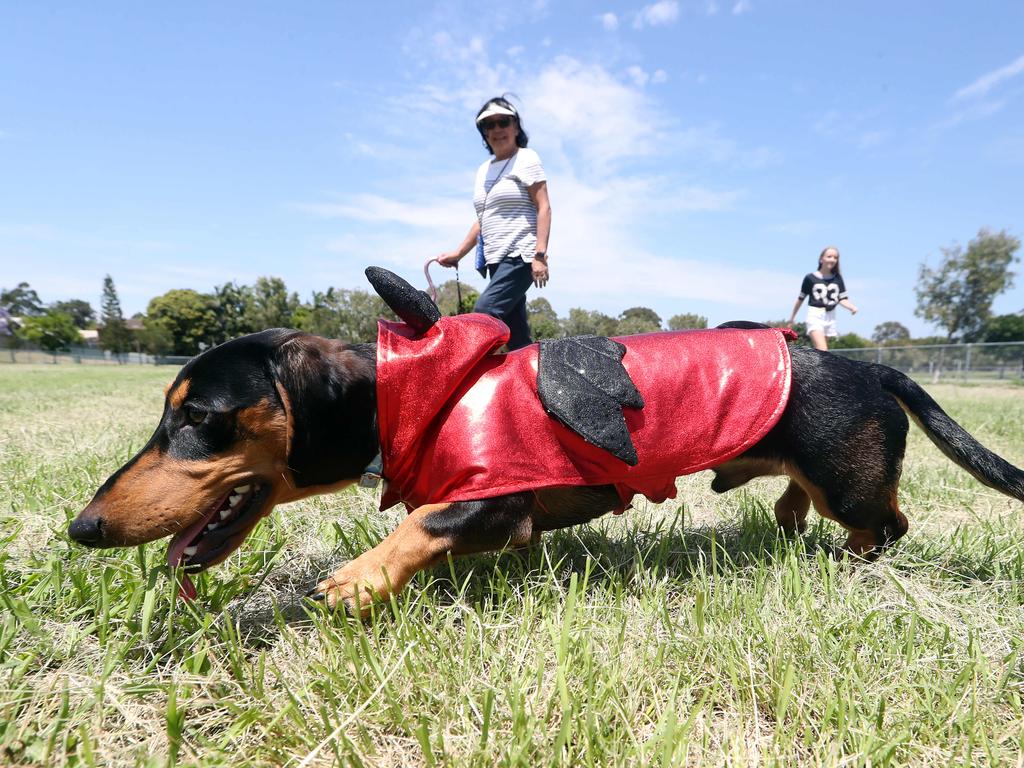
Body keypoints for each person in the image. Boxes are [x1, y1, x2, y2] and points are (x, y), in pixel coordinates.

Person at [436, 96, 551, 350]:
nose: (497, 129)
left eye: (503, 122)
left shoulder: (526, 158)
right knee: (518, 339)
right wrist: (458, 253)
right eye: (489, 125)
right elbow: (482, 219)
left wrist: (540, 255)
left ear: (516, 127)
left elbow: (543, 206)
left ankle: (467, 379)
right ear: (484, 133)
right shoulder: (484, 170)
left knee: (484, 313)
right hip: (496, 260)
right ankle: (535, 385)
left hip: (521, 256)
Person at [787, 245, 858, 351]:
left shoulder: (837, 278)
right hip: (815, 314)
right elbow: (800, 299)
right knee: (823, 349)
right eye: (829, 256)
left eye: (835, 257)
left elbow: (842, 299)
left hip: (831, 316)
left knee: (822, 353)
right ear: (821, 259)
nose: (832, 259)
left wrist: (851, 307)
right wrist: (791, 319)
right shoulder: (810, 278)